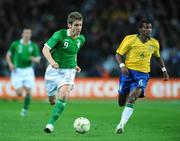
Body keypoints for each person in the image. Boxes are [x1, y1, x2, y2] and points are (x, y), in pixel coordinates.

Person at [115, 19, 169, 134]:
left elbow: (158, 57)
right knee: (121, 102)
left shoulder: (154, 43)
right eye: (146, 27)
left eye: (150, 27)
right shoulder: (130, 39)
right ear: (140, 29)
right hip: (128, 73)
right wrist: (122, 66)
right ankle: (122, 97)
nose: (148, 30)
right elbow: (118, 54)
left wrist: (164, 70)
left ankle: (121, 125)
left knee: (132, 97)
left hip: (142, 75)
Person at [42, 11, 85, 133]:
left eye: (80, 25)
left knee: (64, 95)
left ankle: (50, 124)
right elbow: (45, 49)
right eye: (76, 25)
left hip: (68, 71)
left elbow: (74, 52)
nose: (79, 28)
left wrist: (75, 64)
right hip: (53, 70)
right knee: (52, 101)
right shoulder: (59, 35)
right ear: (69, 25)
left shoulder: (81, 39)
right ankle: (55, 102)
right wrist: (52, 62)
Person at [6, 28, 40, 116]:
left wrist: (34, 59)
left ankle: (25, 109)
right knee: (20, 93)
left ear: (31, 35)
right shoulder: (15, 44)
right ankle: (21, 90)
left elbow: (38, 59)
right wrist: (10, 64)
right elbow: (8, 55)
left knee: (28, 91)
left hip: (28, 70)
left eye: (29, 33)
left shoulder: (33, 46)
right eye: (25, 33)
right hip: (17, 71)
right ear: (22, 34)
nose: (27, 34)